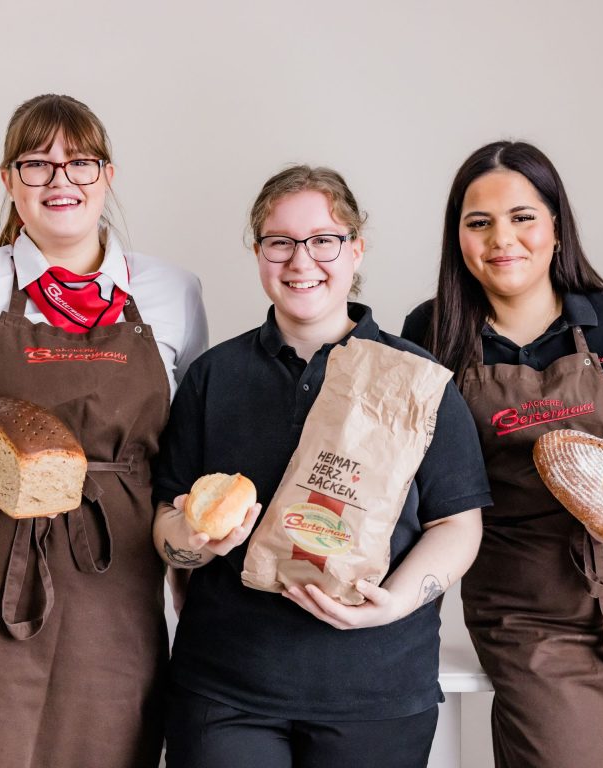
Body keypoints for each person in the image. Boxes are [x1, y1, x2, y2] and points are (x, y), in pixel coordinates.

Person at [0, 94, 208, 767]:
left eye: (80, 163)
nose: (60, 181)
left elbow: (183, 453)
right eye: (37, 165)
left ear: (109, 176)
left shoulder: (171, 293)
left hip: (115, 578)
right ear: (9, 181)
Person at [152, 165, 491, 768]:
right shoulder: (214, 377)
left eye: (323, 240)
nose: (301, 260)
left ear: (356, 248)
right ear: (258, 253)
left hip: (378, 691)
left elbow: (457, 525)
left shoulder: (416, 380)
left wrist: (396, 602)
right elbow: (167, 519)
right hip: (226, 689)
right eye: (279, 241)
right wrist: (193, 542)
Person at [401, 140, 603, 767]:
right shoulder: (431, 335)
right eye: (479, 222)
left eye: (523, 216)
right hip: (527, 615)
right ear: (458, 238)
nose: (504, 238)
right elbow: (411, 479)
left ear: (555, 226)